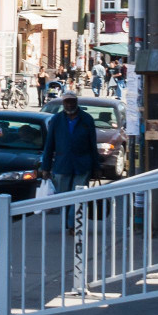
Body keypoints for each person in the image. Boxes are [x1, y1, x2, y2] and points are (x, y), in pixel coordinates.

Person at [38, 90, 99, 228]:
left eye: (72, 101)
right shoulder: (56, 120)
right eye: (67, 102)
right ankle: (68, 223)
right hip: (62, 165)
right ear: (63, 103)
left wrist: (96, 167)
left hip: (83, 165)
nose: (70, 105)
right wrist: (45, 168)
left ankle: (73, 225)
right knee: (64, 197)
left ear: (76, 102)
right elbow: (49, 145)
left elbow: (92, 145)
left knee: (78, 197)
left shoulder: (87, 119)